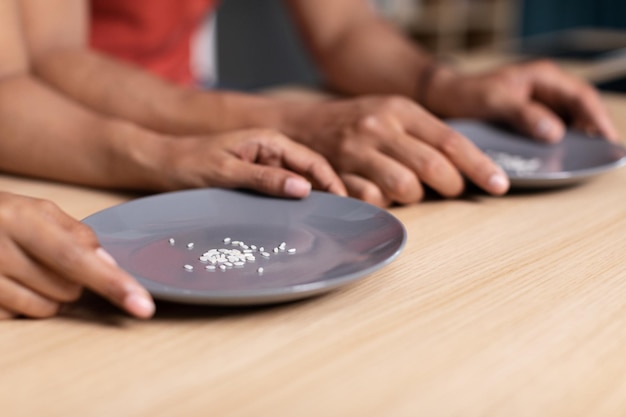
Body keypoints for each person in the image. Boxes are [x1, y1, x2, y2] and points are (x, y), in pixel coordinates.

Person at [19, 0, 618, 208]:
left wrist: (444, 86)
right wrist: (298, 123)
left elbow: (343, 29)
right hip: (60, 136)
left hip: (199, 113)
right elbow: (48, 58)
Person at [0, 0, 346, 319]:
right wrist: (163, 152)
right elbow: (40, 63)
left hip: (187, 94)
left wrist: (169, 154)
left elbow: (348, 29)